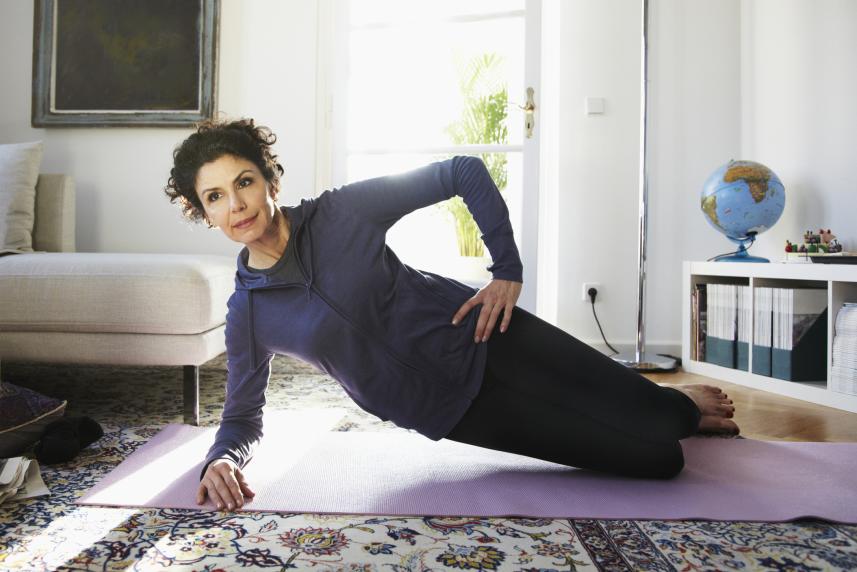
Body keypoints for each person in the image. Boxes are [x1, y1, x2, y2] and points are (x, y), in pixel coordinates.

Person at [164, 118, 739, 512]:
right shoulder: (249, 311)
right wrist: (223, 459)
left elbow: (463, 171)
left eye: (244, 182)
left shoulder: (341, 212)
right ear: (202, 212)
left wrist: (506, 269)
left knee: (665, 420)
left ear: (269, 179)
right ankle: (662, 413)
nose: (236, 204)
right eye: (215, 197)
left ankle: (678, 403)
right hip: (452, 411)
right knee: (660, 461)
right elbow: (242, 416)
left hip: (486, 335)